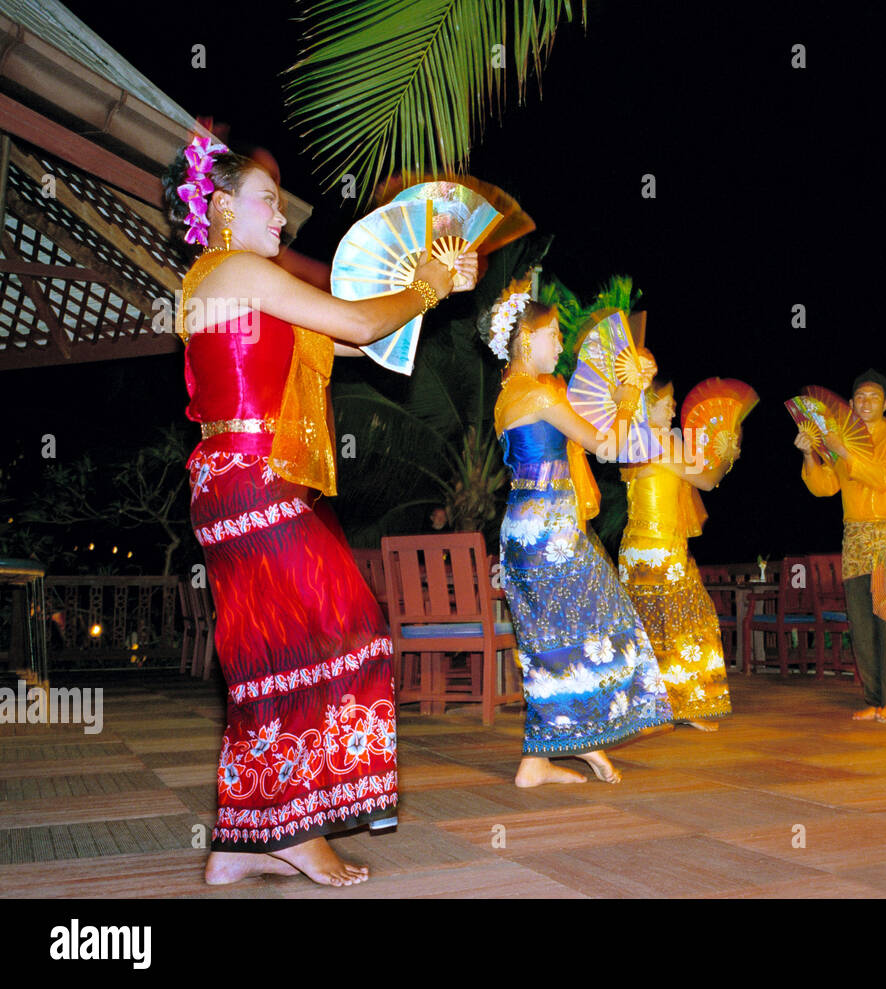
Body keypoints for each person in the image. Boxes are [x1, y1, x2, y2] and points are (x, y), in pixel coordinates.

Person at [162, 136, 477, 886]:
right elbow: (363, 324)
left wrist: (438, 286)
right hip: (253, 478)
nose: (282, 217)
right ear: (220, 209)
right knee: (348, 634)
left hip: (234, 481)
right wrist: (426, 284)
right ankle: (294, 831)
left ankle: (244, 837)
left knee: (275, 656)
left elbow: (361, 342)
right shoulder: (237, 270)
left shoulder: (238, 285)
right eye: (267, 199)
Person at [487, 284, 673, 785]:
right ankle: (577, 740)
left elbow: (571, 437)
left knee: (549, 636)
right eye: (553, 334)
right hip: (550, 528)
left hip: (521, 527)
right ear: (526, 338)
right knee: (604, 621)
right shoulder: (542, 392)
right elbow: (605, 445)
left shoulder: (508, 395)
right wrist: (631, 397)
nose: (558, 344)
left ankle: (540, 756)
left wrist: (617, 397)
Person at [796, 369, 886, 723]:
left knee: (885, 615)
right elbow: (824, 488)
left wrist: (842, 450)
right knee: (861, 620)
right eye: (860, 398)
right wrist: (810, 455)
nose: (866, 403)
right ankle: (875, 699)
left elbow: (881, 476)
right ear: (849, 404)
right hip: (854, 535)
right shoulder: (840, 438)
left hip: (885, 532)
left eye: (874, 397)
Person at [619, 382, 735, 731]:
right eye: (666, 404)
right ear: (648, 405)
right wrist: (728, 455)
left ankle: (652, 705)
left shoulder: (636, 439)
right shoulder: (655, 442)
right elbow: (707, 481)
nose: (672, 411)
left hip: (642, 550)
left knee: (654, 627)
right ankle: (681, 705)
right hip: (659, 551)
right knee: (687, 623)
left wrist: (717, 452)